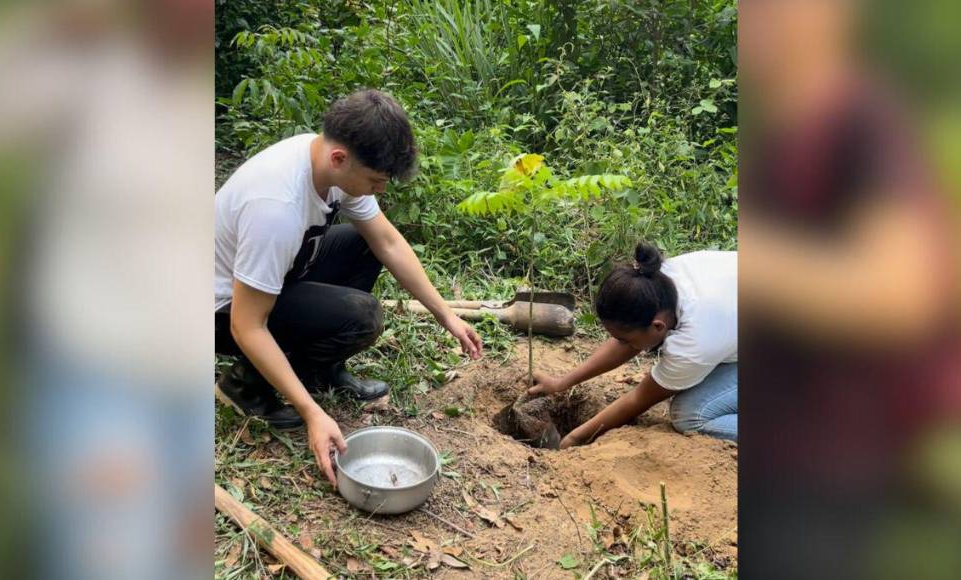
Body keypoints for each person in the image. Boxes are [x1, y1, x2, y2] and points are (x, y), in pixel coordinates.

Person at [214, 89, 483, 485]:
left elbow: (387, 241)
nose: (381, 190)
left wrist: (446, 315)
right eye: (375, 180)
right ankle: (244, 385)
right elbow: (246, 325)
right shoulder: (276, 207)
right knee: (362, 316)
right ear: (340, 159)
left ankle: (319, 369)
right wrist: (312, 414)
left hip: (275, 275)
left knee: (363, 245)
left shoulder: (326, 161)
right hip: (219, 311)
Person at [528, 242, 737, 447]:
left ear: (657, 326)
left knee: (690, 415)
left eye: (624, 338)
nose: (621, 343)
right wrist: (560, 383)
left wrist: (575, 438)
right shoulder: (654, 280)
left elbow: (639, 398)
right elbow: (628, 343)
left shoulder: (693, 344)